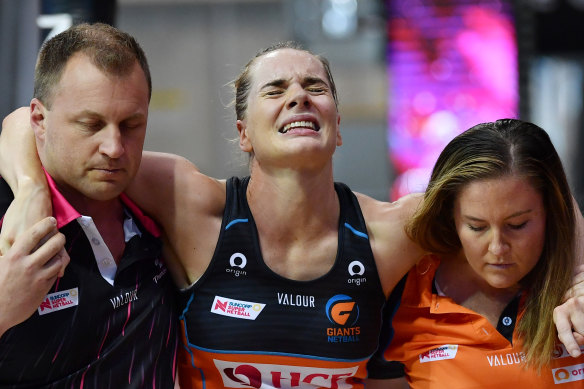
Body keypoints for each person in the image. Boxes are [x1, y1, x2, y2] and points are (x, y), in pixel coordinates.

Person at [2, 42, 584, 388]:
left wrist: (579, 280)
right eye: (275, 89)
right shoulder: (187, 200)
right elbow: (25, 124)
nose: (299, 97)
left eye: (314, 87)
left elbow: (536, 199)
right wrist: (29, 186)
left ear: (335, 128)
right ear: (242, 133)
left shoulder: (391, 231)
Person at [0, 23, 178, 388]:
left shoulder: (165, 207)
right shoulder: (9, 218)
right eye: (90, 124)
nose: (114, 148)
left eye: (131, 124)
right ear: (39, 120)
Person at [368, 119, 584, 388]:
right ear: (450, 218)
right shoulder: (402, 292)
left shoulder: (576, 290)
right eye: (477, 226)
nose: (497, 248)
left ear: (552, 212)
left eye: (517, 225)